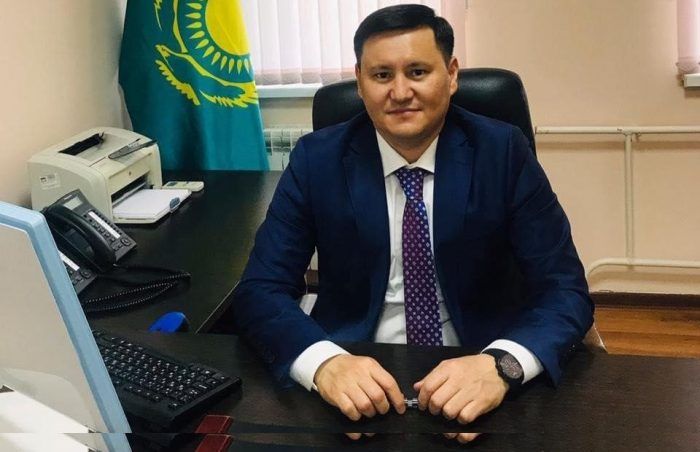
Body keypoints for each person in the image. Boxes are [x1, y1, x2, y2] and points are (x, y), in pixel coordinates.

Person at [231, 4, 593, 444]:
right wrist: (323, 363)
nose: (400, 92)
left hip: (478, 367)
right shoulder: (317, 160)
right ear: (360, 82)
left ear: (452, 74)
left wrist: (502, 365)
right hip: (354, 370)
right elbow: (260, 289)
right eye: (382, 75)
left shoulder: (502, 152)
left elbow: (564, 290)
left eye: (417, 72)